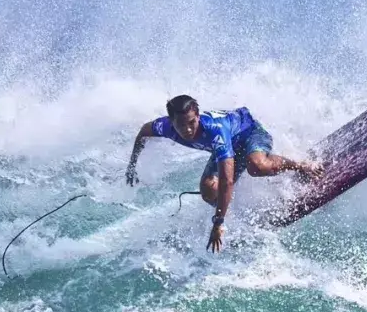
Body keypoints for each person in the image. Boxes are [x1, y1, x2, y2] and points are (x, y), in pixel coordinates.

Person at [125, 95, 322, 252]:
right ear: (171, 122)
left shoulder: (214, 130)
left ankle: (300, 165)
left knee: (257, 166)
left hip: (249, 133)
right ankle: (234, 211)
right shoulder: (165, 127)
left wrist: (218, 222)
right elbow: (143, 132)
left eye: (192, 122)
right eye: (181, 125)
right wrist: (132, 165)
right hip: (229, 147)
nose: (187, 129)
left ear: (198, 116)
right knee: (208, 190)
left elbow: (227, 181)